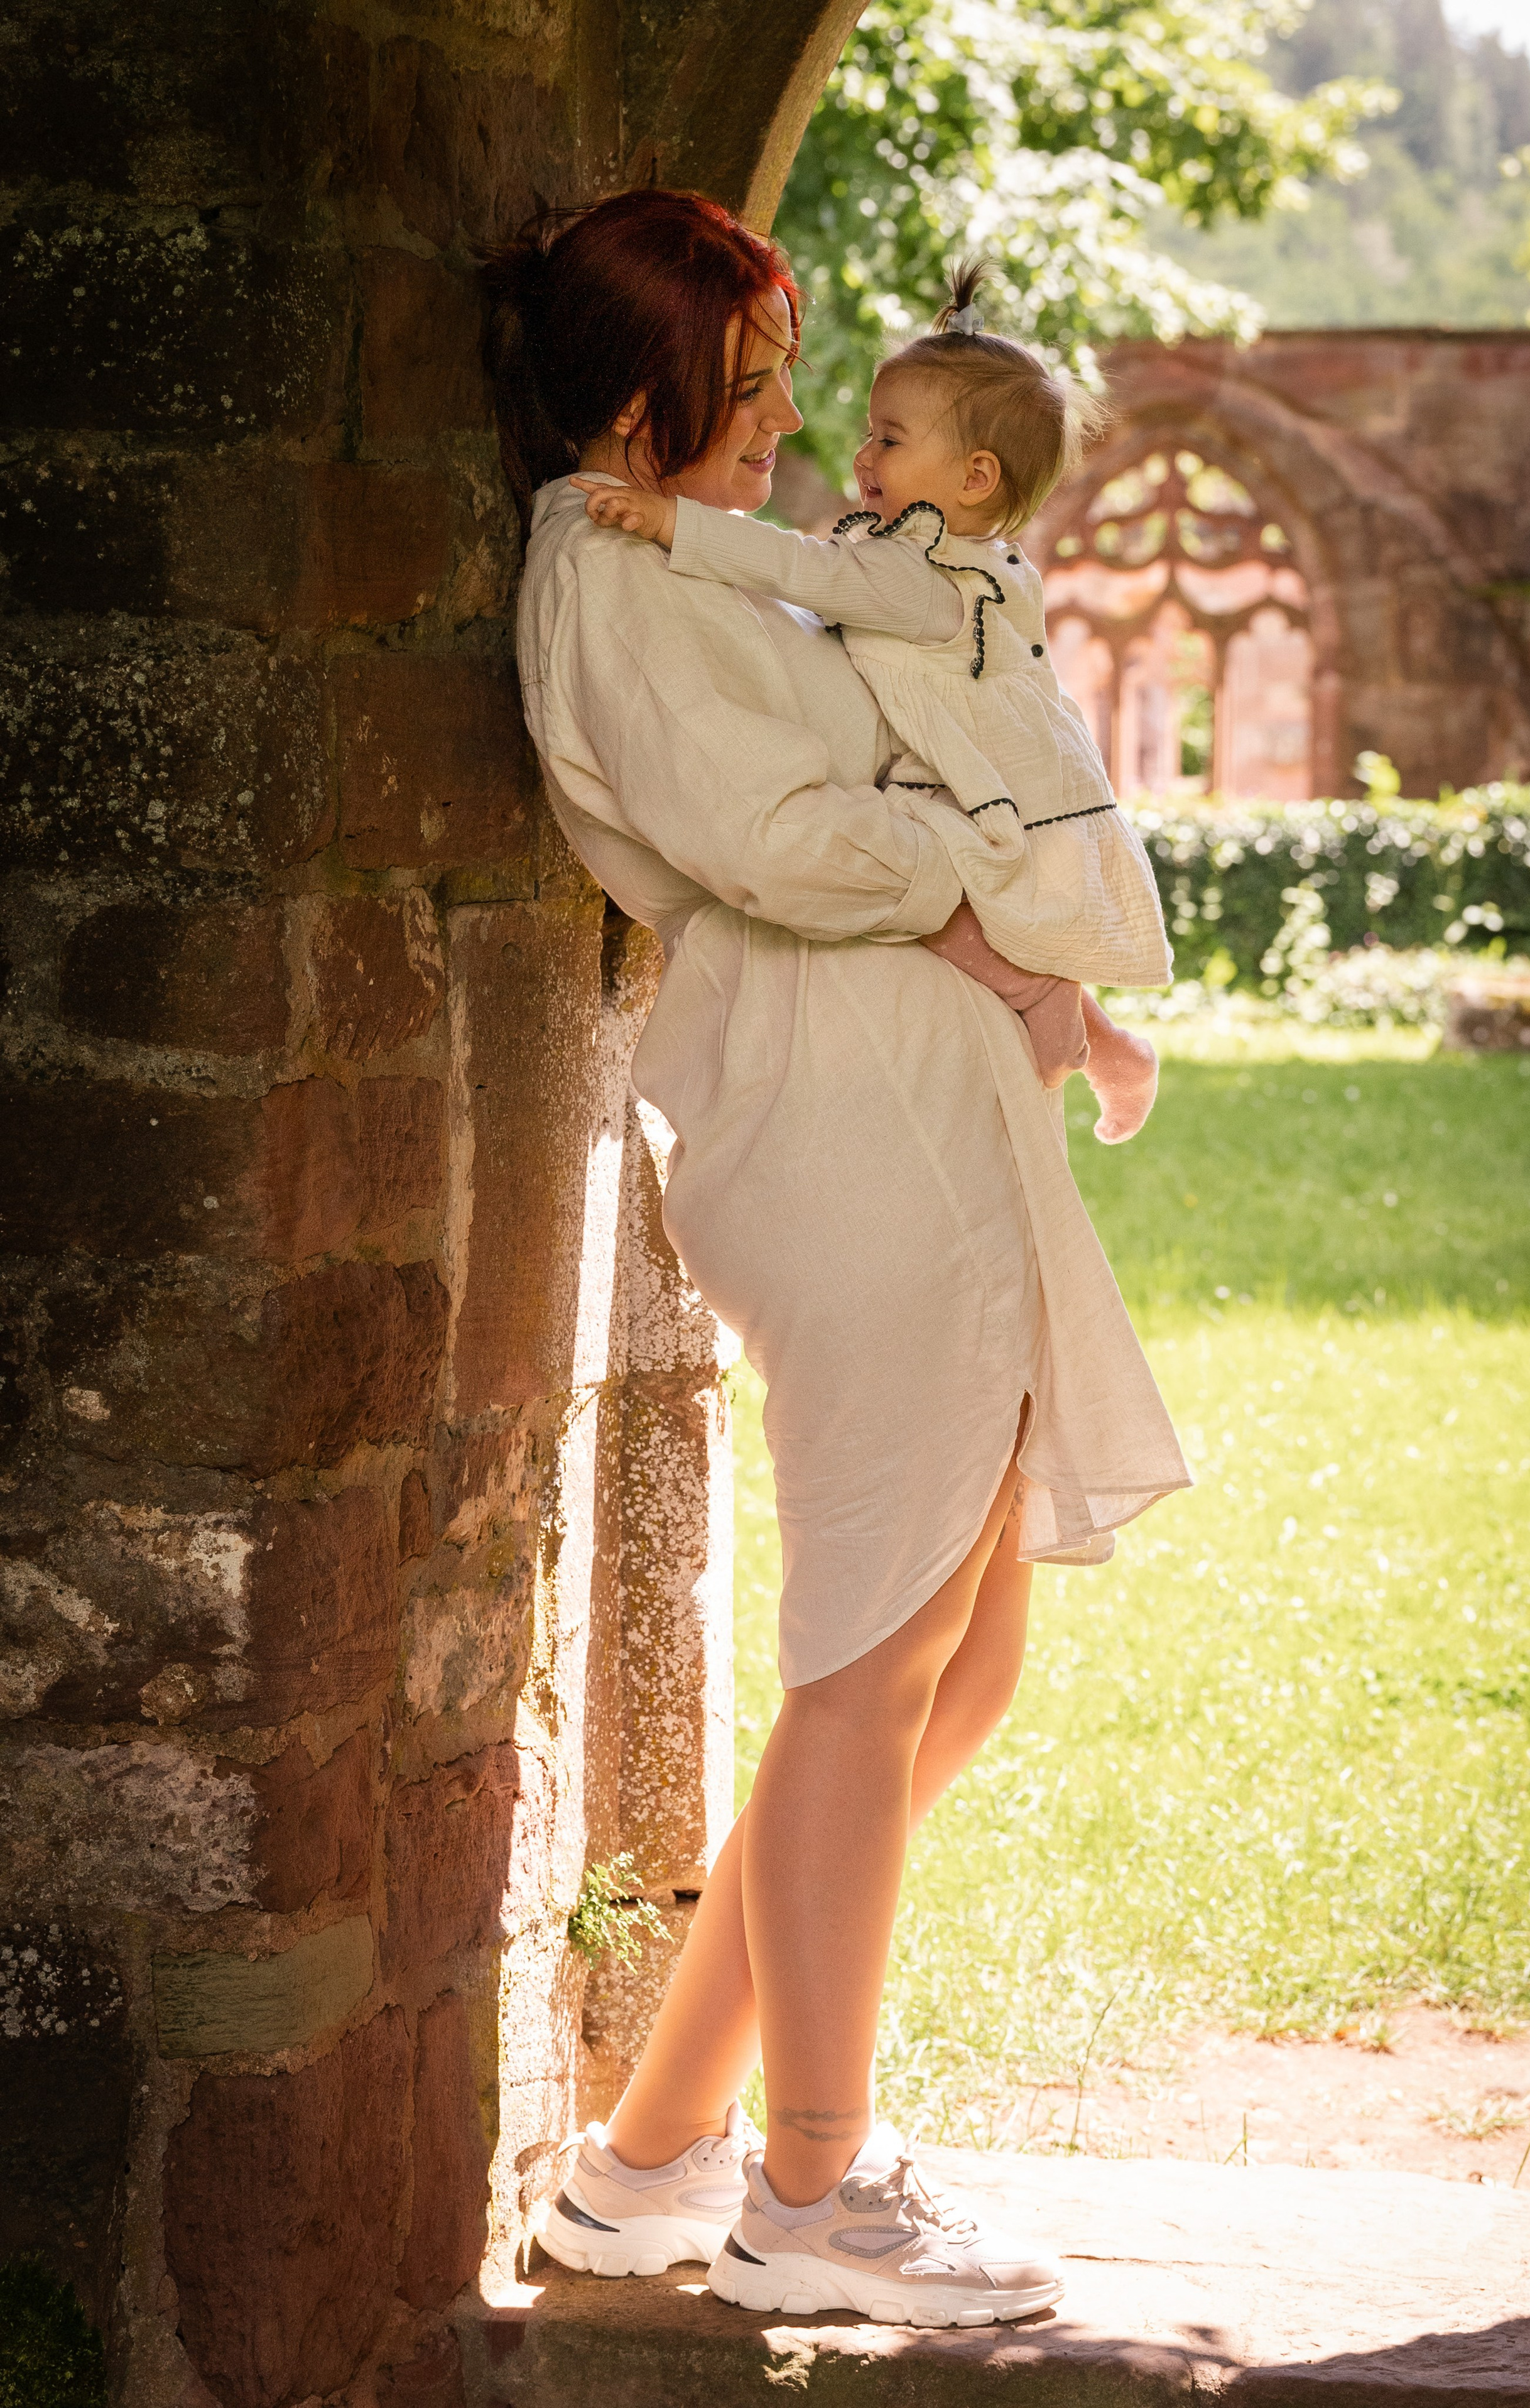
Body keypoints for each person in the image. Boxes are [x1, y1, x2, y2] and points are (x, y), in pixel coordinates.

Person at [482, 187, 1190, 2329]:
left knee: (949, 1668)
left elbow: (885, 752)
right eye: (755, 381)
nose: (796, 422)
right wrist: (988, 881)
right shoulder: (601, 569)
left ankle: (648, 2161)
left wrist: (1024, 954)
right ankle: (809, 2189)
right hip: (833, 1116)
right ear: (633, 399)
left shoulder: (721, 570)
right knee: (875, 1671)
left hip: (922, 1107)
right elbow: (785, 842)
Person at [575, 256, 1167, 1142]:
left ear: (973, 479)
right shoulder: (944, 561)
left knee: (978, 937)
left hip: (968, 794)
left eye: (890, 439)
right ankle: (1106, 1046)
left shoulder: (921, 579)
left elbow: (799, 568)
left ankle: (1062, 1040)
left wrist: (673, 524)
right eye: (872, 431)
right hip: (980, 780)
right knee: (991, 924)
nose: (862, 454)